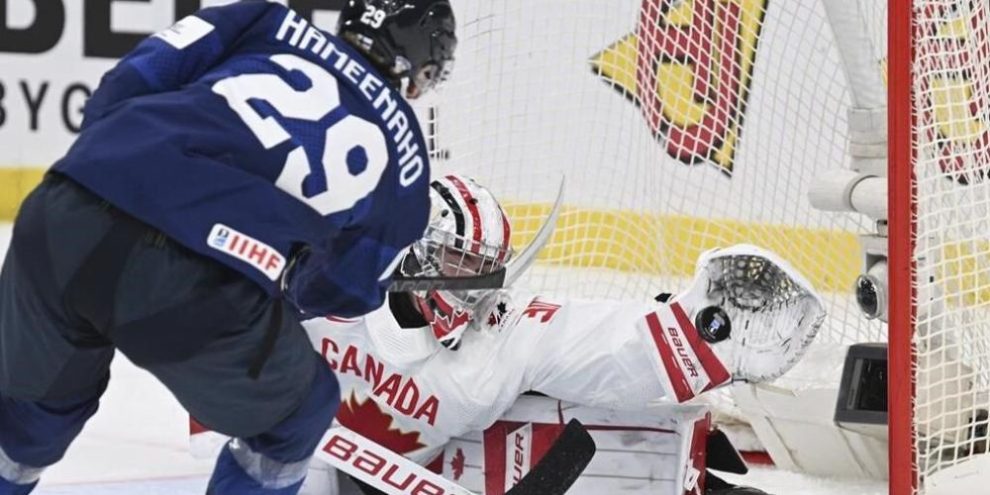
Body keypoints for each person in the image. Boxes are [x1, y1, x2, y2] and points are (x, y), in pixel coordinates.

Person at [0, 1, 455, 494]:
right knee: (297, 417)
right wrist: (276, 279)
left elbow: (133, 78)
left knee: (29, 418)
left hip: (64, 211)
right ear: (423, 65)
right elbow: (347, 288)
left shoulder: (265, 19)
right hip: (192, 283)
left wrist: (108, 171)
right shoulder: (406, 156)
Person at [191, 174, 826, 494]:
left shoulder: (496, 337)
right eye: (464, 267)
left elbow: (599, 344)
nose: (479, 289)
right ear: (415, 254)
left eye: (488, 270)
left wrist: (706, 333)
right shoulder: (323, 291)